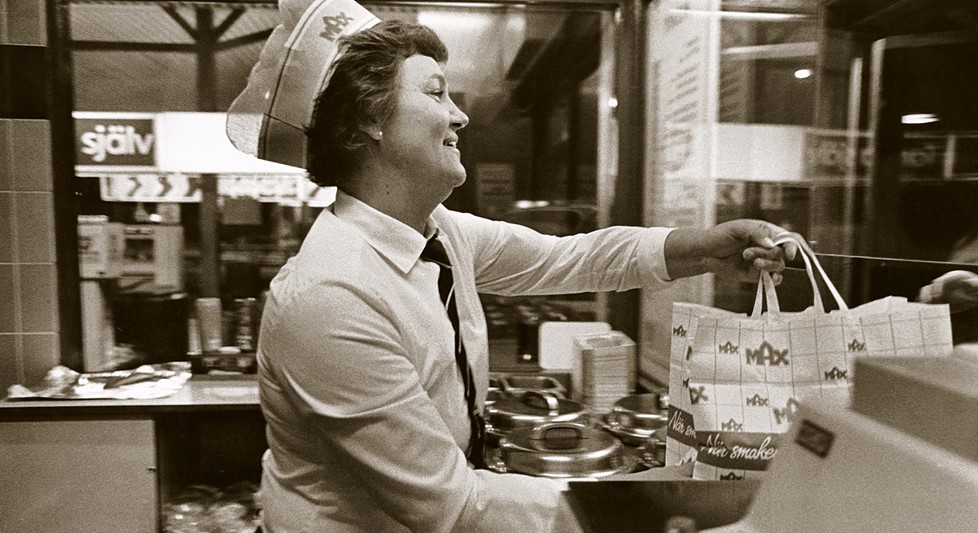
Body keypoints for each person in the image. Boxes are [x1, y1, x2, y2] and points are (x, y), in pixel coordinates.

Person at [247, 17, 797, 533]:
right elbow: (452, 503)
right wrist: (657, 502)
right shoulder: (331, 298)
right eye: (436, 93)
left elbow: (568, 258)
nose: (460, 116)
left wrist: (704, 248)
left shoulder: (441, 235)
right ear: (367, 121)